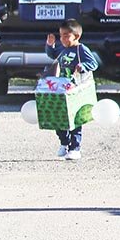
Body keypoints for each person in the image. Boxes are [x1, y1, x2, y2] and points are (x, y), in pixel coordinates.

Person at [45, 19, 98, 160]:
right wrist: (50, 46)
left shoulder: (81, 49)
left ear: (77, 36)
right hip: (61, 87)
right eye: (61, 35)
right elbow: (52, 55)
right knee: (59, 118)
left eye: (66, 36)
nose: (63, 39)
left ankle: (75, 148)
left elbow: (93, 63)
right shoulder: (62, 49)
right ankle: (64, 142)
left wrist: (83, 66)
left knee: (75, 119)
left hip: (75, 88)